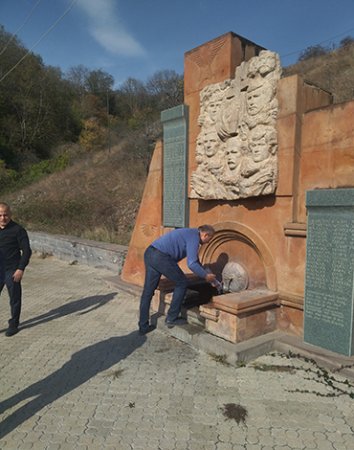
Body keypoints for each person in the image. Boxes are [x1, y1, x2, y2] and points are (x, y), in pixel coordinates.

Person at [138, 225, 217, 335]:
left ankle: (143, 326)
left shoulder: (190, 233)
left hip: (150, 252)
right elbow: (192, 264)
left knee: (148, 292)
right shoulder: (194, 237)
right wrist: (206, 276)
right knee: (182, 283)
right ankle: (172, 318)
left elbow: (196, 261)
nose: (208, 242)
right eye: (210, 239)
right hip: (162, 257)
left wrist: (205, 272)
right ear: (205, 235)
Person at [0, 202, 32, 336]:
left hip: (12, 269)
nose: (3, 218)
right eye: (0, 215)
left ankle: (13, 324)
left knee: (14, 298)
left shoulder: (18, 230)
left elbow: (27, 251)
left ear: (10, 214)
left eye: (5, 215)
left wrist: (20, 269)